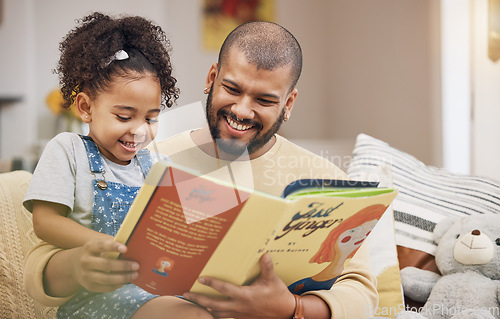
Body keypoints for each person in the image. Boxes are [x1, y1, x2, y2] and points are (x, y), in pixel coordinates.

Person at [24, 20, 378, 318]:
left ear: (289, 104)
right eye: (231, 88)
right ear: (211, 78)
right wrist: (77, 267)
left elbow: (362, 290)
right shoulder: (148, 156)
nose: (242, 110)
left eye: (265, 100)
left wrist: (292, 307)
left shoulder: (322, 179)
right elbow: (43, 256)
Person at [22, 12, 181, 318]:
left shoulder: (161, 166)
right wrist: (112, 245)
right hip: (97, 297)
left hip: (156, 287)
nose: (139, 130)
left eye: (151, 118)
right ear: (85, 107)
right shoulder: (68, 150)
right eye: (124, 116)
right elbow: (45, 222)